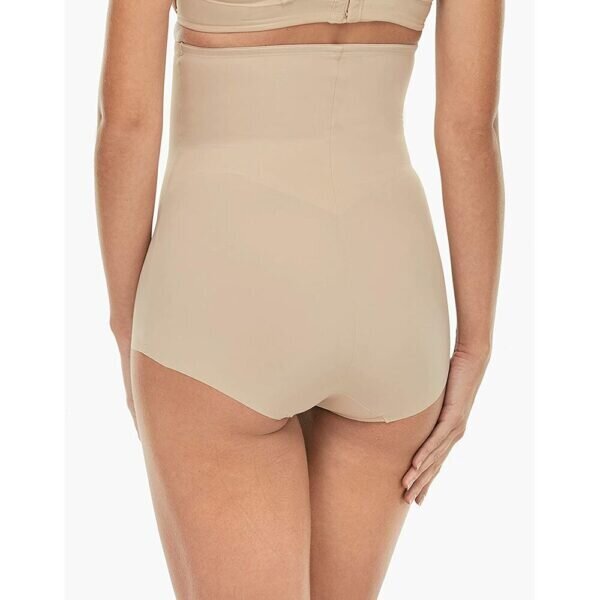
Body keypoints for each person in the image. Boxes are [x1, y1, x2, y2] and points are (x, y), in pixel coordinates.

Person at [95, 0, 504, 597]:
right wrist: (475, 342)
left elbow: (127, 123)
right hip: (395, 295)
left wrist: (130, 327)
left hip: (223, 290)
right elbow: (471, 128)